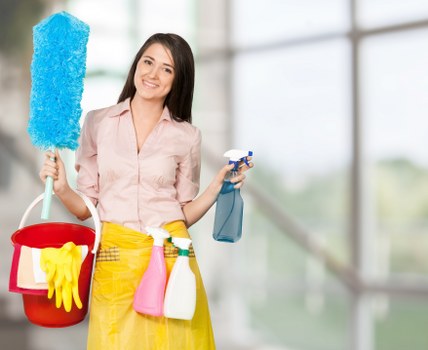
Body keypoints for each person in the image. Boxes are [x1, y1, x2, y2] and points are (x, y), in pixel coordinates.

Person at [39, 33, 253, 349]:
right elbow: (86, 209)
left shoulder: (187, 136)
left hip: (172, 257)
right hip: (115, 257)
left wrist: (215, 188)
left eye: (166, 69)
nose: (153, 74)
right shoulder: (98, 123)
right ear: (136, 65)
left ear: (178, 80)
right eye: (148, 62)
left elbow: (182, 212)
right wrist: (62, 188)